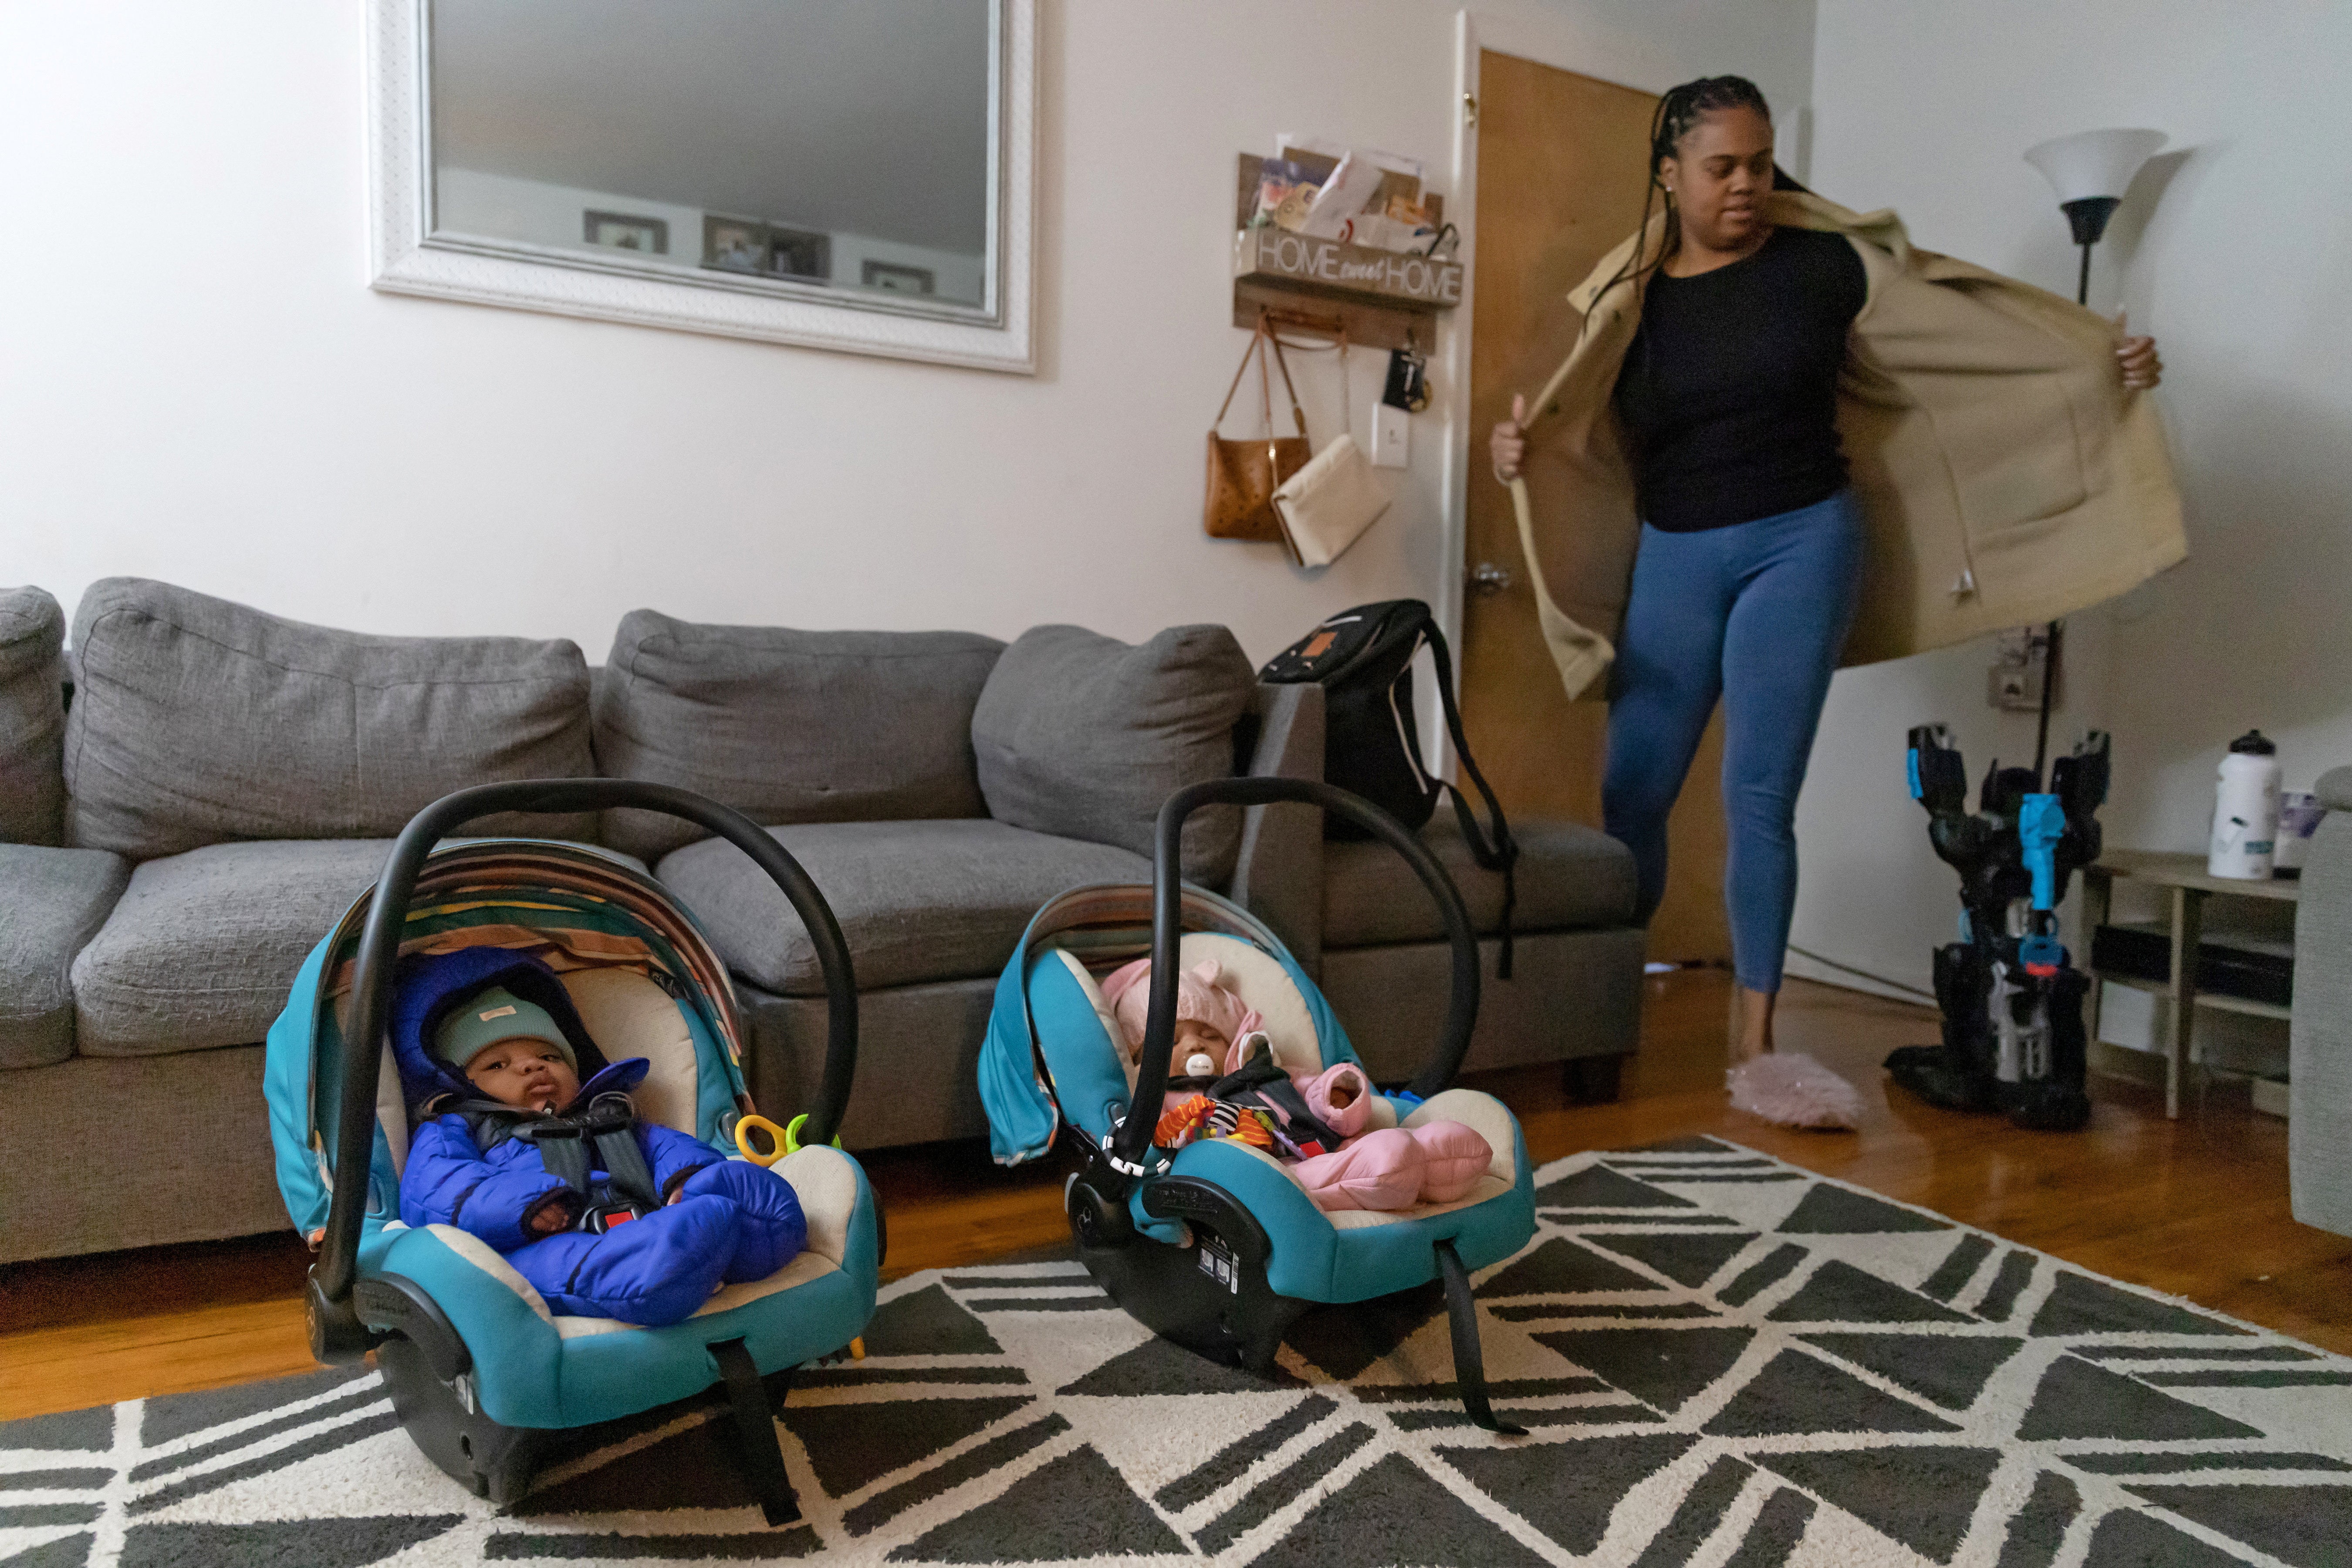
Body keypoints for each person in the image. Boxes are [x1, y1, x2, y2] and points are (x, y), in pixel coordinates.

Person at [1489, 76, 2167, 1128]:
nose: (1747, 186)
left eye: (1760, 164)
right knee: (1632, 796)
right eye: (1722, 167)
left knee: (1759, 794)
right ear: (1668, 174)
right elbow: (1584, 431)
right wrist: (1517, 458)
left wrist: (2100, 358)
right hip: (1674, 550)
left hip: (1801, 541)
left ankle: (1755, 1047)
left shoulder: (1822, 267)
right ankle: (1599, 1013)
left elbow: (1971, 342)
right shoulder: (1631, 296)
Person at [392, 950, 806, 1326]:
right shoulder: (457, 1128)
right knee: (568, 1266)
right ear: (463, 1083)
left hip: (649, 1215)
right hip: (540, 1240)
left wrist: (685, 1177)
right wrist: (525, 1209)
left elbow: (662, 1146)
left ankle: (723, 1232)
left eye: (550, 1057)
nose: (533, 1068)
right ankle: (668, 1264)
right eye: (499, 1064)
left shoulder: (607, 1116)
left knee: (734, 1187)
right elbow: (434, 1192)